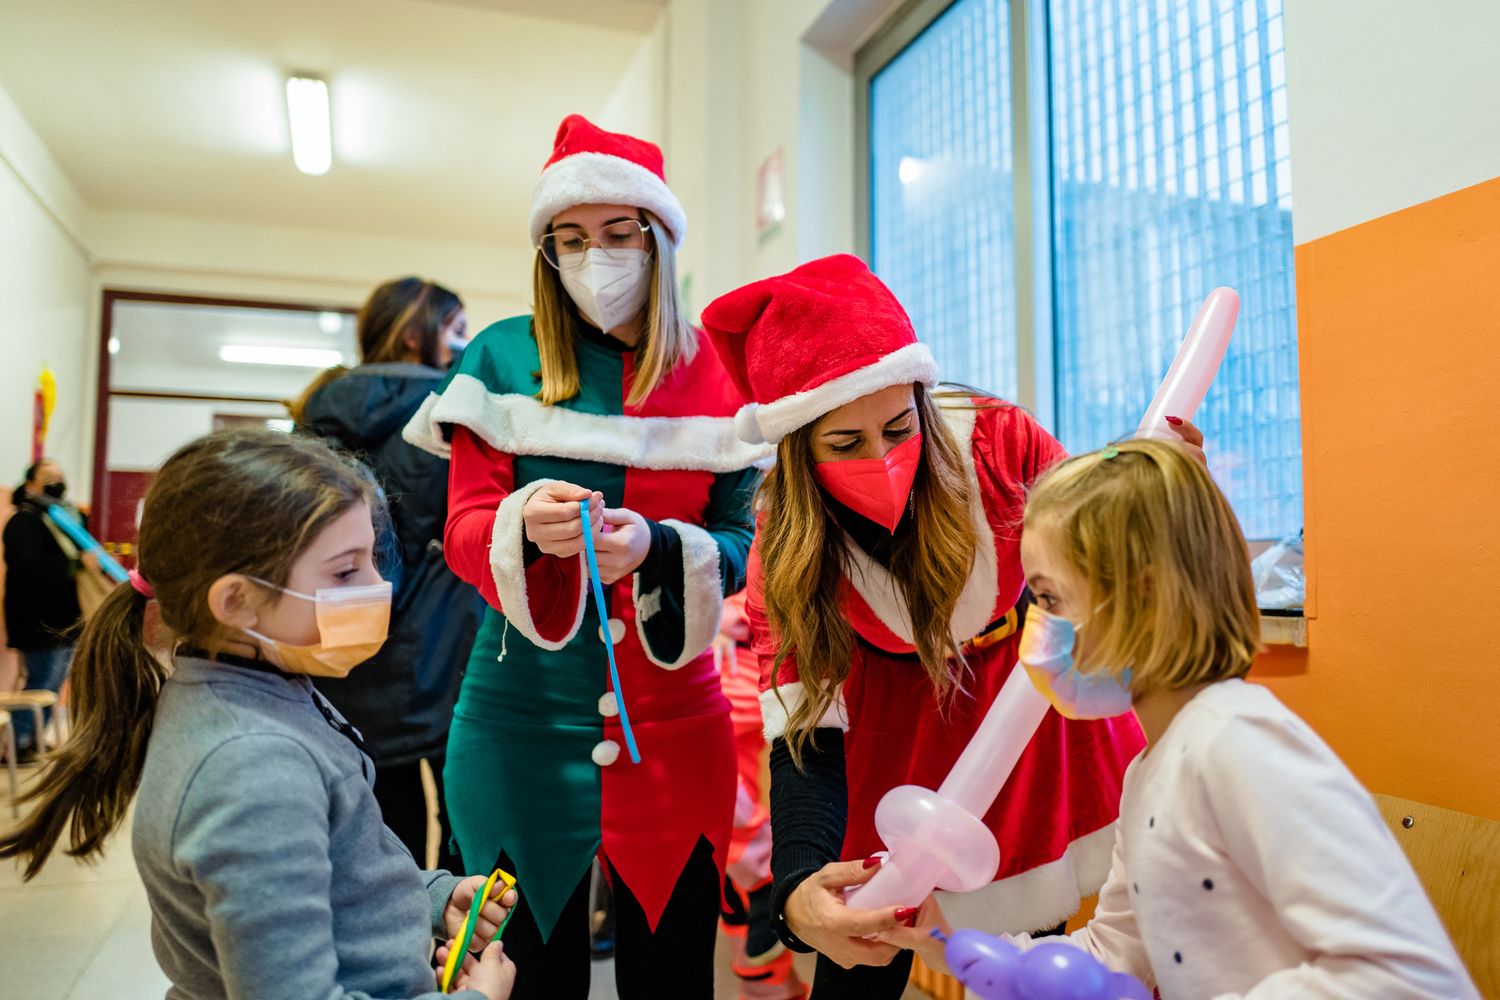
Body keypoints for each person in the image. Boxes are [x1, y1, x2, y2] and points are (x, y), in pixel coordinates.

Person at [701, 255, 1200, 999]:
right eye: (845, 444)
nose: (881, 458)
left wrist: (1166, 496)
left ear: (920, 401)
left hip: (1024, 710)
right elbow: (804, 731)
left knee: (1034, 964)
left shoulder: (1000, 446)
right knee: (860, 954)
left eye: (898, 427)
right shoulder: (785, 547)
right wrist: (800, 884)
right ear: (800, 448)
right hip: (889, 736)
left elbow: (1100, 547)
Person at [882, 439, 1479, 998]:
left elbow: (1406, 977)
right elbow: (1115, 954)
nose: (1035, 628)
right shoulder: (1151, 769)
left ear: (1143, 599)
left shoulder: (1237, 742)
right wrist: (953, 945)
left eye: (1049, 598)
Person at [403, 114, 768, 999]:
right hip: (517, 725)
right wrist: (522, 523)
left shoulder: (721, 375)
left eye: (616, 233)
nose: (593, 257)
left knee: (671, 981)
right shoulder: (498, 357)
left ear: (659, 239)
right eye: (569, 239)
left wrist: (658, 546)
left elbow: (745, 543)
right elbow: (463, 528)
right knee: (525, 980)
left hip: (675, 730)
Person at [0, 430, 517, 1000]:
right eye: (345, 573)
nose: (380, 590)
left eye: (373, 560)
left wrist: (429, 898)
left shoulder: (257, 686)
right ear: (236, 601)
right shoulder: (253, 766)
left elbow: (335, 868)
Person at [291, 276, 481, 869]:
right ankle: (460, 930)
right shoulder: (457, 410)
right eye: (456, 327)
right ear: (414, 336)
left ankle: (398, 925)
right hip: (452, 647)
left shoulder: (318, 412)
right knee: (467, 826)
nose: (467, 340)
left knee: (383, 832)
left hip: (350, 644)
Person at [715, 591, 807, 1000]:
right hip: (715, 654)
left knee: (726, 808)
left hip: (765, 649)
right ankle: (767, 985)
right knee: (721, 843)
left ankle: (769, 985)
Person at [2, 459, 91, 761]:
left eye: (60, 476)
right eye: (48, 476)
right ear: (30, 484)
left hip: (64, 619)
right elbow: (28, 566)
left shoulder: (63, 519)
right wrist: (75, 564)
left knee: (54, 684)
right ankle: (15, 744)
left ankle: (34, 739)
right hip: (37, 621)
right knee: (41, 681)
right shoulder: (24, 521)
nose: (56, 481)